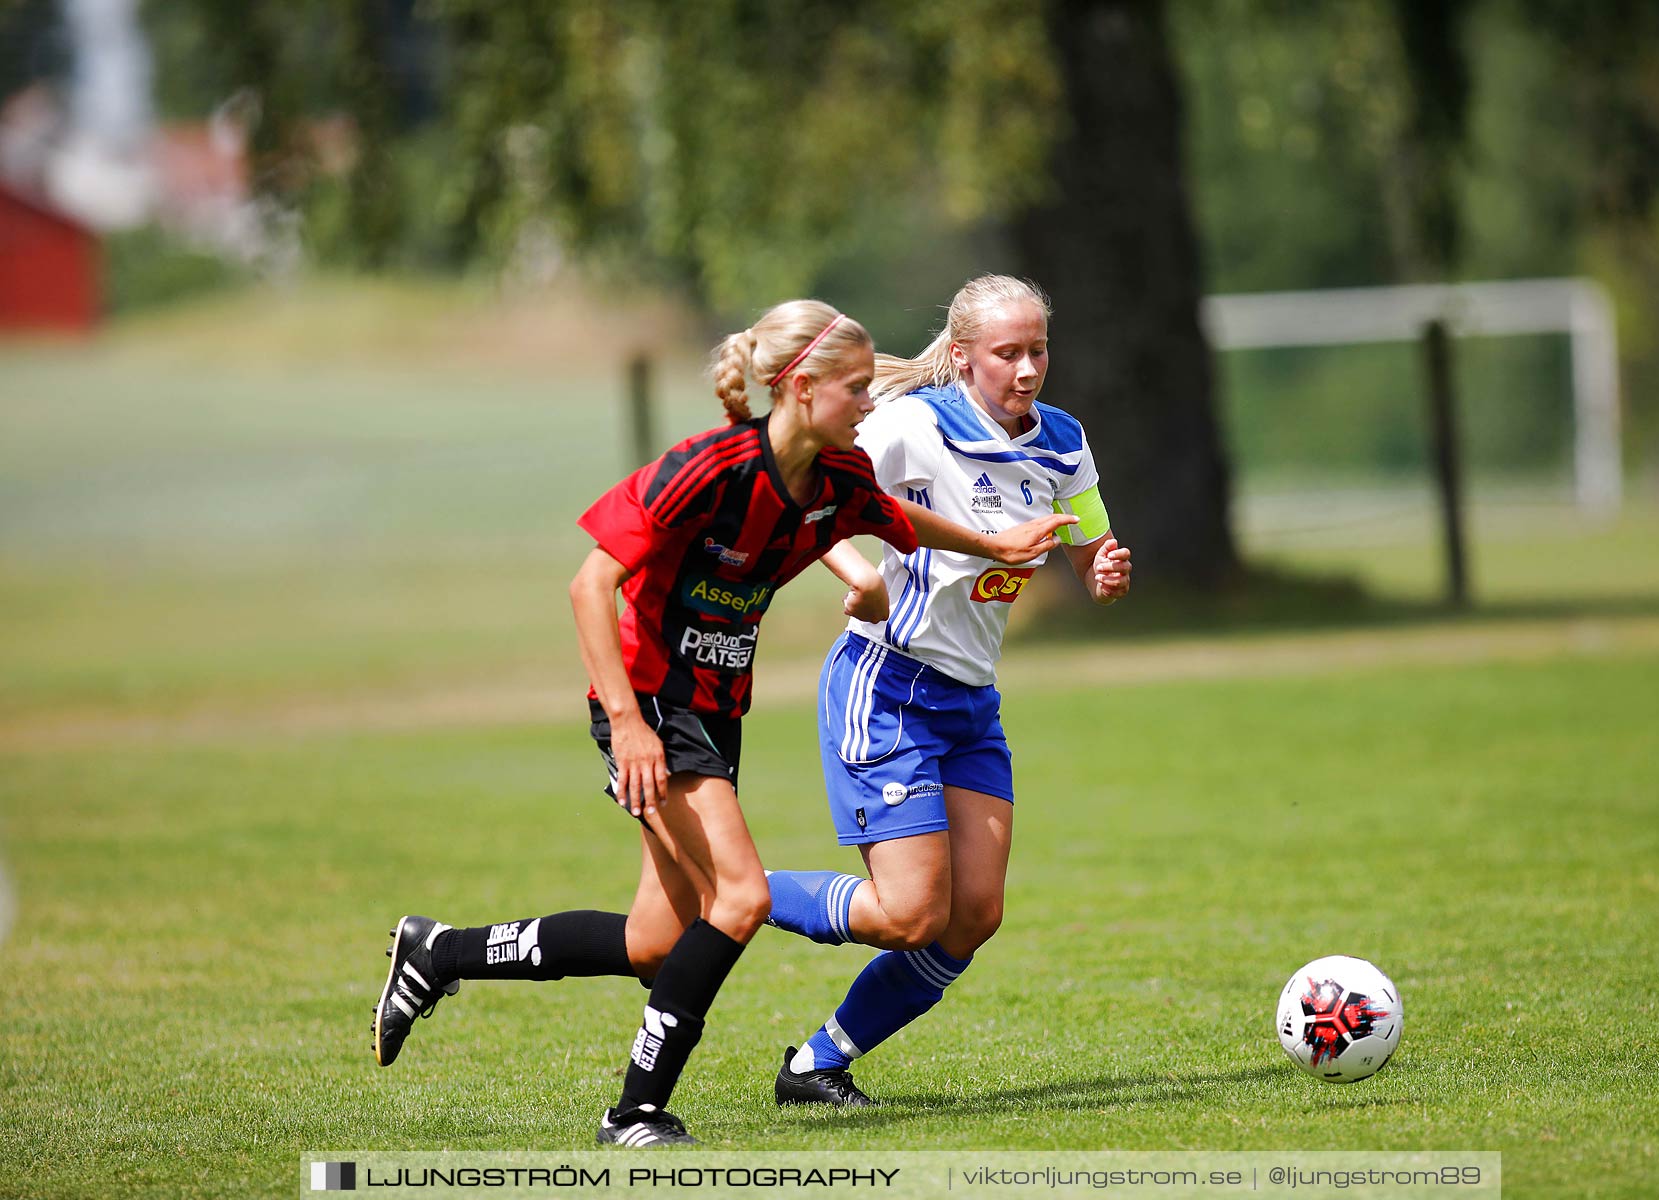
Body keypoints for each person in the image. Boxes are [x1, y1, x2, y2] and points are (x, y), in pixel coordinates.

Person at [368, 299, 1070, 1147]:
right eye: (855, 389)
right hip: (651, 705)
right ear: (802, 389)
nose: (869, 404)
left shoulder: (839, 477)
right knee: (739, 896)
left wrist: (992, 550)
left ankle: (439, 954)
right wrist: (627, 725)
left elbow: (891, 523)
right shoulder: (708, 468)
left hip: (713, 708)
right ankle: (634, 1113)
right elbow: (590, 586)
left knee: (654, 944)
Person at [762, 274, 1132, 1106]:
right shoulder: (909, 425)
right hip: (885, 685)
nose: (1028, 368)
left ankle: (816, 1063)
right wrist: (858, 574)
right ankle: (737, 890)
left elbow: (1091, 546)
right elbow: (802, 488)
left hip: (969, 702)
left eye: (1038, 349)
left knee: (973, 917)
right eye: (1008, 353)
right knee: (908, 916)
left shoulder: (1064, 439)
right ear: (963, 358)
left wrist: (1103, 569)